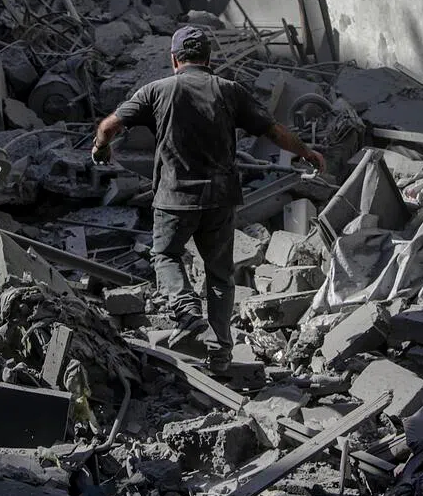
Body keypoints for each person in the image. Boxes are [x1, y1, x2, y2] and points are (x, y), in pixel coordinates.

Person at [91, 27, 326, 373]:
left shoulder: (156, 91)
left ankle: (185, 308)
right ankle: (220, 352)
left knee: (165, 254)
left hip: (174, 198)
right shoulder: (230, 91)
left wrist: (101, 147)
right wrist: (306, 152)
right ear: (208, 58)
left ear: (174, 59)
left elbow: (110, 126)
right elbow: (273, 131)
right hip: (219, 199)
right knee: (219, 275)